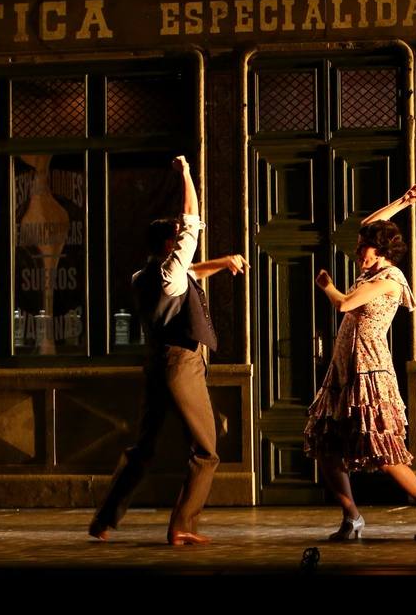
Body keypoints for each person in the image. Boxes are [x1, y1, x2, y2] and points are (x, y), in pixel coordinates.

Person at [89, 155, 246, 545]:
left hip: (157, 363)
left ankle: (104, 519)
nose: (183, 240)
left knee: (143, 447)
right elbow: (191, 220)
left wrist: (222, 263)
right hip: (181, 364)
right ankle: (182, 526)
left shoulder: (145, 274)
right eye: (178, 238)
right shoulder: (171, 266)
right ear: (169, 243)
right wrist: (187, 174)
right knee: (207, 451)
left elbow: (188, 273)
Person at [304, 184, 416, 541]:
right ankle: (351, 516)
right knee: (326, 443)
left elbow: (345, 303)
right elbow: (370, 222)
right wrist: (403, 202)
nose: (358, 252)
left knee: (383, 451)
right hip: (343, 367)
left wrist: (326, 285)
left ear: (382, 250)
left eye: (364, 248)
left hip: (369, 369)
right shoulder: (371, 269)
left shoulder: (389, 279)